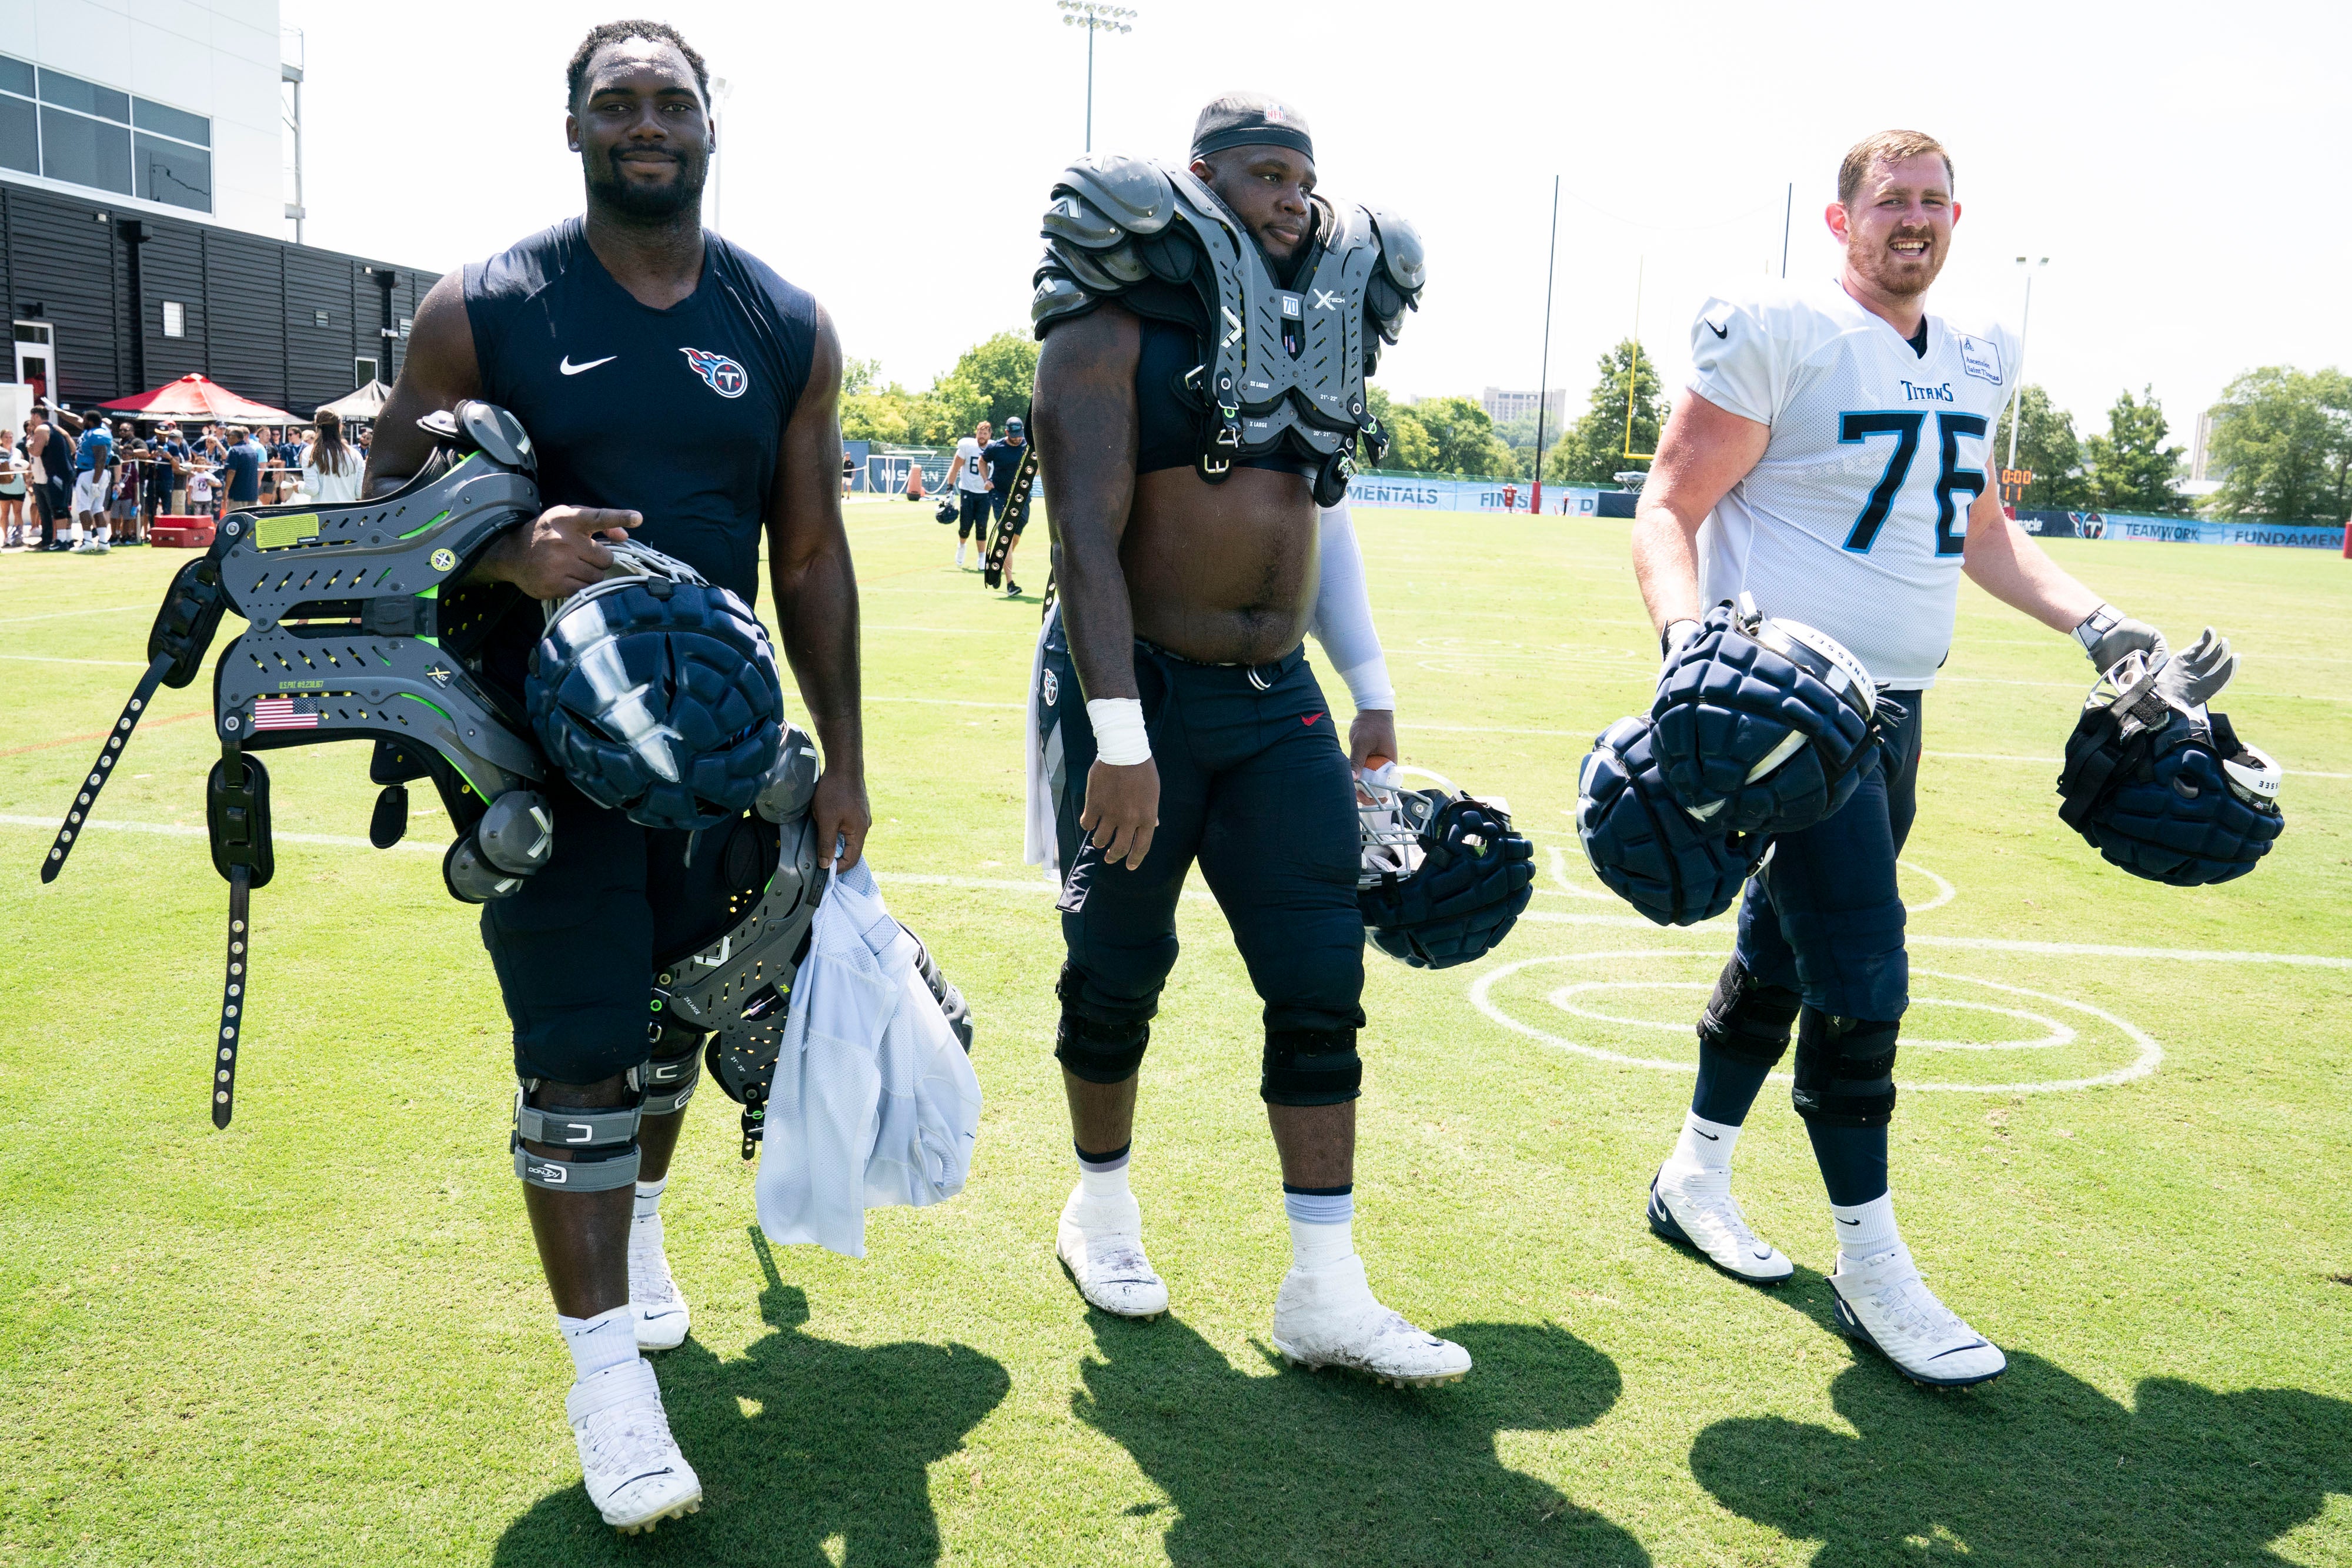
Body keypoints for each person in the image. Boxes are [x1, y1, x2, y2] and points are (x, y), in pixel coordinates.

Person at [1626, 130, 2237, 1388]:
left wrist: (2098, 623)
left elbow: (1977, 529)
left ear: (1957, 218)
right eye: (1886, 200)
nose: (1911, 218)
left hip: (1897, 713)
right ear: (1838, 221)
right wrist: (1690, 650)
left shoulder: (1973, 353)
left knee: (1782, 952)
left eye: (1929, 201)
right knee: (1861, 963)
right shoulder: (1780, 328)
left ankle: (1692, 1173)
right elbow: (1669, 508)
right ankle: (1871, 1261)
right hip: (1788, 711)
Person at [362, 20, 866, 1535]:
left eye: (671, 100)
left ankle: (641, 1229)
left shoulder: (781, 317)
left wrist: (843, 758)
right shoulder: (485, 305)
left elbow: (812, 550)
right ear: (570, 128)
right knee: (577, 1045)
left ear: (716, 123)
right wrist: (513, 552)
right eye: (616, 103)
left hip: (713, 752)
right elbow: (378, 506)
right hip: (537, 741)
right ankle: (607, 1391)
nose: (646, 121)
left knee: (678, 1011)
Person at [1028, 93, 1467, 1387]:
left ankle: (1321, 1289)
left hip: (1277, 699)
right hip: (1138, 692)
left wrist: (1369, 678)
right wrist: (1116, 736)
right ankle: (1098, 1207)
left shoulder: (1312, 324)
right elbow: (1082, 545)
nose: (1289, 201)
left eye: (1303, 180)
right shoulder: (1111, 318)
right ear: (1198, 180)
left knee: (1322, 973)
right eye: (1263, 176)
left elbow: (1312, 511)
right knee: (1116, 968)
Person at [979, 415, 1028, 594]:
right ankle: (1010, 584)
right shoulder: (996, 447)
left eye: (1019, 434)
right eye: (1013, 434)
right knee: (1005, 537)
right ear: (1007, 432)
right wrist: (986, 480)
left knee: (1014, 537)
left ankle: (997, 564)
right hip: (1000, 496)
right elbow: (982, 460)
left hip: (1022, 497)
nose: (1017, 437)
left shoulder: (1028, 446)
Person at [943, 418, 993, 569]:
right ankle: (962, 547)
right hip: (968, 490)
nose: (982, 436)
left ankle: (982, 558)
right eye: (980, 432)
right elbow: (955, 467)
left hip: (985, 493)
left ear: (990, 435)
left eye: (985, 433)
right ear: (976, 433)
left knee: (982, 526)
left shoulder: (994, 448)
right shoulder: (967, 446)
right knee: (965, 525)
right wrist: (949, 488)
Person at [68, 411, 115, 553]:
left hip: (91, 473)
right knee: (97, 508)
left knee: (84, 507)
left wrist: (95, 482)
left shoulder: (97, 434)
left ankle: (88, 541)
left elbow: (100, 459)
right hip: (99, 473)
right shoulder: (96, 431)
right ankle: (103, 541)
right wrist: (56, 410)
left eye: (84, 420)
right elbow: (75, 419)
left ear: (90, 421)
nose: (82, 422)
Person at [302, 409, 365, 504]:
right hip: (349, 514)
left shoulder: (310, 453)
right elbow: (360, 493)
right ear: (340, 427)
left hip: (322, 514)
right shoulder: (355, 454)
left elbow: (312, 490)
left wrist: (299, 487)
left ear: (317, 427)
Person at [219, 425, 265, 513]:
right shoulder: (252, 451)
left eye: (228, 436)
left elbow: (231, 472)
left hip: (237, 495)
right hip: (252, 494)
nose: (227, 439)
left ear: (234, 437)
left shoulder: (234, 451)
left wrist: (226, 491)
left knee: (236, 519)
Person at [0, 427, 25, 546]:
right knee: (5, 513)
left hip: (18, 486)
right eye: (6, 437)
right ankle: (5, 538)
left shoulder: (18, 452)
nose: (9, 439)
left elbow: (24, 466)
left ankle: (18, 536)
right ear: (1, 438)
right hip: (4, 486)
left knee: (18, 512)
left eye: (10, 437)